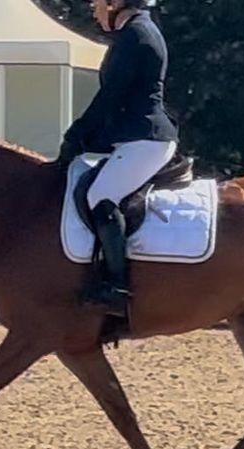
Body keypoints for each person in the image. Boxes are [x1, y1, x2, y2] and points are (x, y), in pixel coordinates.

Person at [55, 0, 179, 319]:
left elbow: (110, 97)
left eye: (97, 2)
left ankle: (117, 288)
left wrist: (78, 134)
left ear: (115, 3)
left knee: (100, 195)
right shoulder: (133, 33)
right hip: (134, 136)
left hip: (146, 139)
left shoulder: (135, 36)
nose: (93, 8)